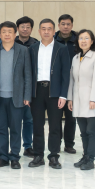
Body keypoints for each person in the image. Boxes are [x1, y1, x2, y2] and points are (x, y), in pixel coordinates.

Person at [0, 21, 32, 169]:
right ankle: (3, 157)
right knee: (0, 128)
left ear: (15, 34)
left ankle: (15, 157)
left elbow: (28, 75)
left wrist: (27, 96)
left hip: (16, 97)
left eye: (10, 32)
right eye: (4, 32)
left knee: (16, 128)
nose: (7, 34)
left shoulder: (23, 51)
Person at [27, 18, 71, 169]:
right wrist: (28, 95)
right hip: (37, 91)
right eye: (43, 29)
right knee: (37, 125)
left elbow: (66, 74)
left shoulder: (61, 48)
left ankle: (53, 156)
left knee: (55, 126)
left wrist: (63, 95)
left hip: (55, 92)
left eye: (49, 29)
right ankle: (38, 155)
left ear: (54, 31)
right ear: (39, 31)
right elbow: (28, 73)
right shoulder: (32, 49)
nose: (46, 32)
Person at [67, 29, 95, 171]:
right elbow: (72, 80)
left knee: (91, 131)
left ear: (92, 41)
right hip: (78, 100)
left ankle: (91, 159)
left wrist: (94, 99)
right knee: (83, 132)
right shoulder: (76, 58)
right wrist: (70, 98)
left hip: (90, 100)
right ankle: (85, 156)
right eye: (81, 38)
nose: (83, 41)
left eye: (86, 38)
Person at [55, 14, 79, 155]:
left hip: (74, 83)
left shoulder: (78, 41)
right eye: (63, 24)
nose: (65, 26)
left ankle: (69, 144)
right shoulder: (53, 40)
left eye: (68, 24)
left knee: (71, 117)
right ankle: (56, 143)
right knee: (56, 116)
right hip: (57, 84)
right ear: (58, 25)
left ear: (72, 25)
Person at [15, 16, 38, 158]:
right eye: (22, 27)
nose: (25, 29)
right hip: (14, 87)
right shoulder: (11, 42)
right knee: (14, 120)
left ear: (31, 29)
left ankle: (28, 146)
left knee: (29, 119)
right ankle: (13, 147)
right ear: (17, 28)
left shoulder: (36, 44)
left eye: (28, 27)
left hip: (30, 86)